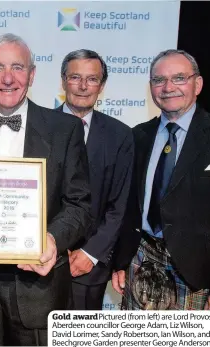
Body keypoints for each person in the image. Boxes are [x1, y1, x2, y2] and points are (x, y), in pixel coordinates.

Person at [0, 33, 92, 345]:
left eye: (18, 67)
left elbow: (79, 205)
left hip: (41, 289)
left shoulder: (64, 130)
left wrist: (51, 239)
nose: (8, 78)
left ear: (33, 74)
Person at [112, 49, 210, 310]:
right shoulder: (138, 136)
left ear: (198, 84)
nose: (168, 87)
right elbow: (127, 207)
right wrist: (120, 261)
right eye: (159, 80)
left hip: (198, 276)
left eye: (179, 78)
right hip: (140, 261)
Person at [56, 49, 134, 310]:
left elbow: (119, 206)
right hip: (42, 260)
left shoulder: (120, 135)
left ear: (101, 85)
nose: (82, 86)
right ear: (63, 80)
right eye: (75, 77)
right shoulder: (38, 126)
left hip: (90, 267)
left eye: (91, 79)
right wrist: (52, 247)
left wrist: (90, 253)